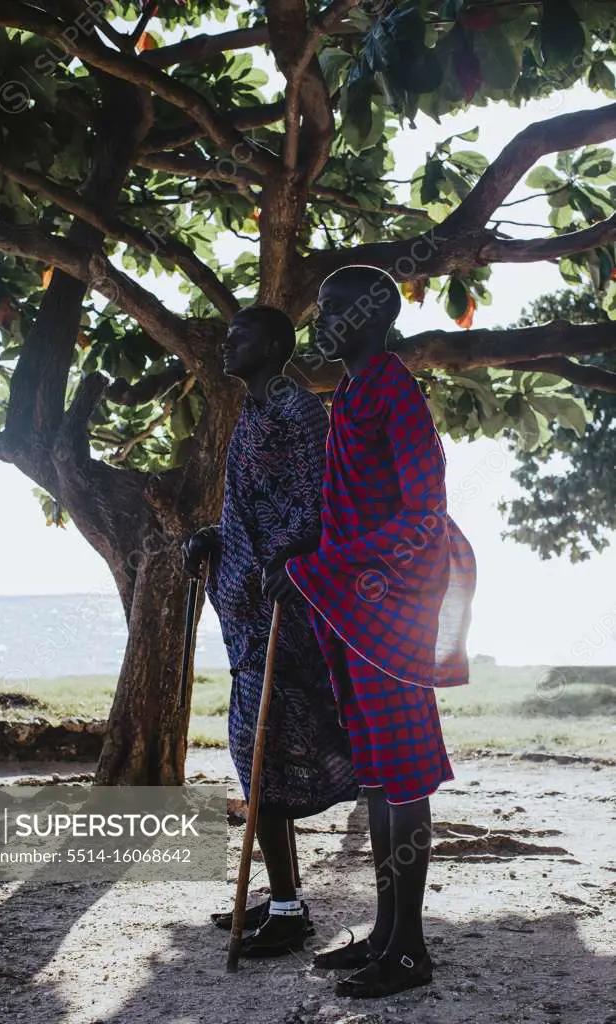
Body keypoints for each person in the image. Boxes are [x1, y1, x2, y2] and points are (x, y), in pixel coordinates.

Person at [264, 266, 477, 998]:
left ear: (368, 315)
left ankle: (410, 950)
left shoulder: (395, 390)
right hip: (353, 615)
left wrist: (328, 564)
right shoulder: (353, 392)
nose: (318, 323)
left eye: (330, 310)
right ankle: (386, 936)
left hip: (392, 614)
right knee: (381, 777)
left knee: (404, 778)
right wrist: (305, 560)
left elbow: (424, 518)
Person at [182, 304, 358, 959]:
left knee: (266, 756)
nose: (227, 342)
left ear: (276, 344)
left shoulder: (300, 412)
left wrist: (289, 558)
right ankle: (283, 897)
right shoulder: (254, 413)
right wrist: (210, 538)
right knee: (255, 757)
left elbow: (320, 503)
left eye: (241, 335)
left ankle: (288, 909)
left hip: (286, 613)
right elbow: (247, 510)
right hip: (249, 618)